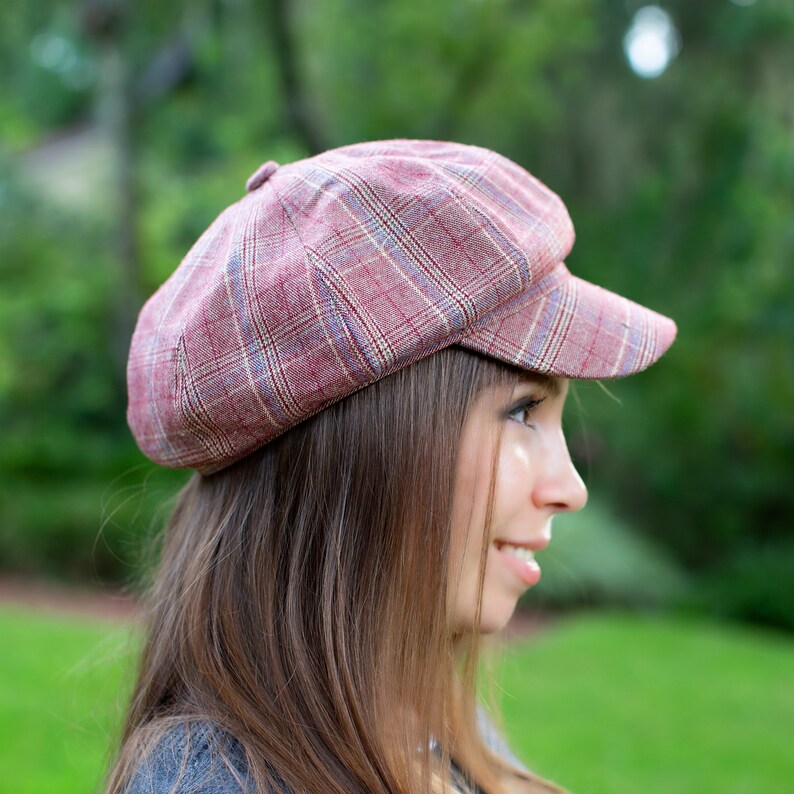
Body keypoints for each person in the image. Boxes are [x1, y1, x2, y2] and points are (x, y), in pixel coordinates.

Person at [106, 139, 676, 793]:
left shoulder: (428, 728)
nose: (570, 489)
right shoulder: (215, 782)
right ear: (360, 450)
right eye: (522, 412)